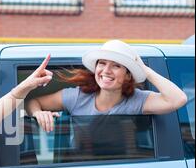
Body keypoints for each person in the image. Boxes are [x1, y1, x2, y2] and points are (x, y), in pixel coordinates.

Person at [26, 40, 188, 132]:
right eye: (102, 63)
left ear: (128, 75)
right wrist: (38, 113)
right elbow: (31, 102)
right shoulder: (77, 96)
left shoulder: (137, 99)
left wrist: (143, 69)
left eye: (116, 65)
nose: (106, 71)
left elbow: (178, 99)